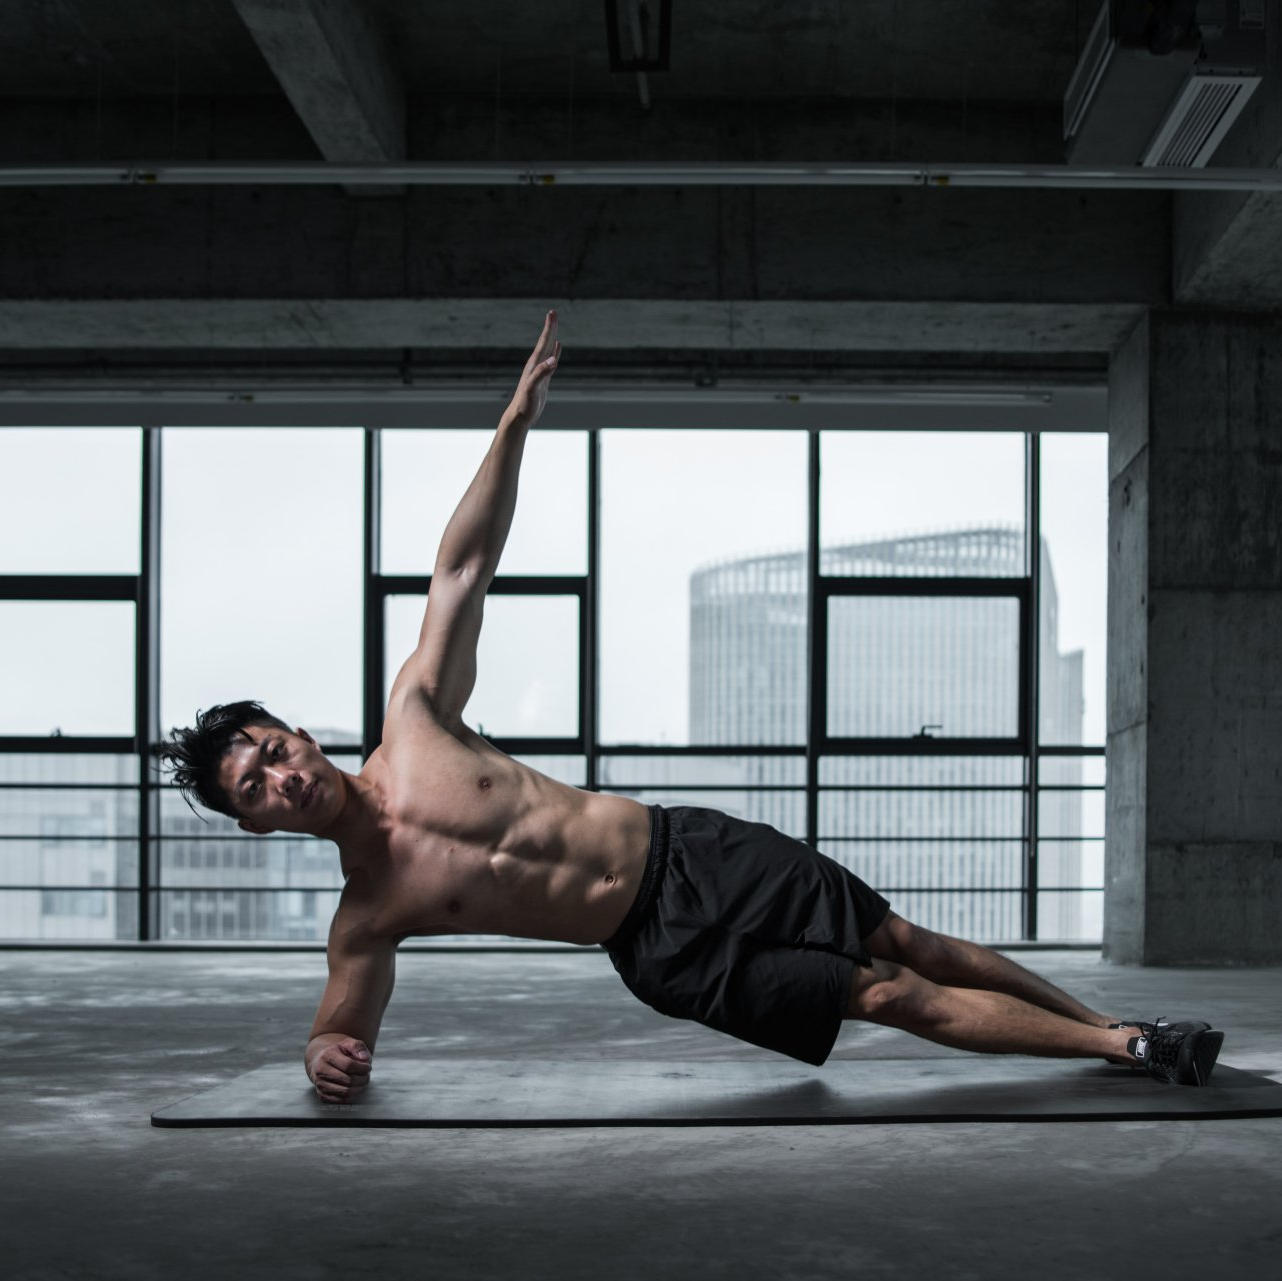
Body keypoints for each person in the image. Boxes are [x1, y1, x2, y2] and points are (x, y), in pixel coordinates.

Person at [160, 311, 1223, 1102]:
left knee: (909, 940)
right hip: (660, 951)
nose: (280, 777)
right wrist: (319, 1054)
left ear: (295, 731)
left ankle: (1122, 1032)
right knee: (881, 993)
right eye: (256, 789)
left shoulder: (420, 719)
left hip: (692, 851)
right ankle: (1125, 1046)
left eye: (269, 749)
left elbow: (461, 568)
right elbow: (342, 1024)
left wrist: (515, 423)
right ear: (258, 825)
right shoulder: (368, 913)